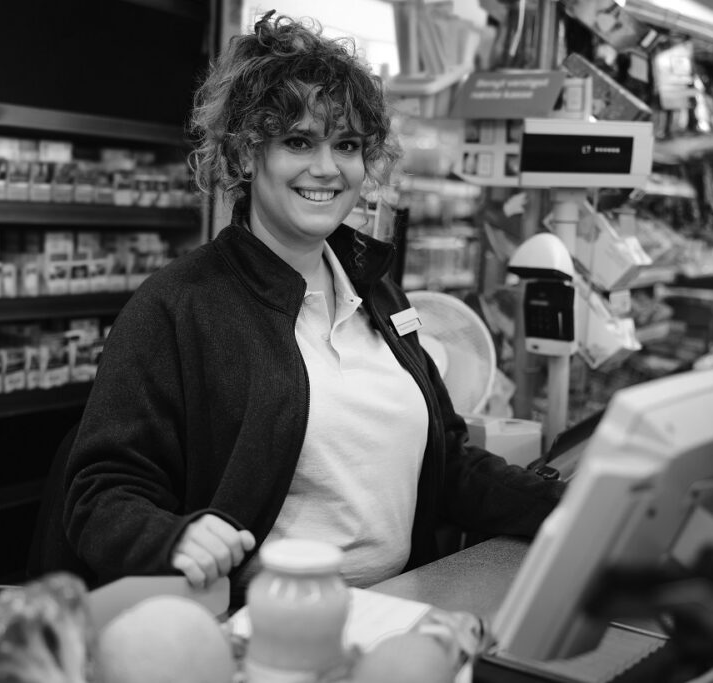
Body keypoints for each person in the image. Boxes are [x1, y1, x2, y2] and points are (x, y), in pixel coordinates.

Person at [59, 11, 566, 606]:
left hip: (399, 608)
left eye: (346, 145)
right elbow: (100, 492)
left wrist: (567, 509)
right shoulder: (178, 306)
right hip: (264, 632)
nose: (327, 168)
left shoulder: (377, 291)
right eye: (298, 141)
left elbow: (445, 460)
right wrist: (174, 537)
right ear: (247, 156)